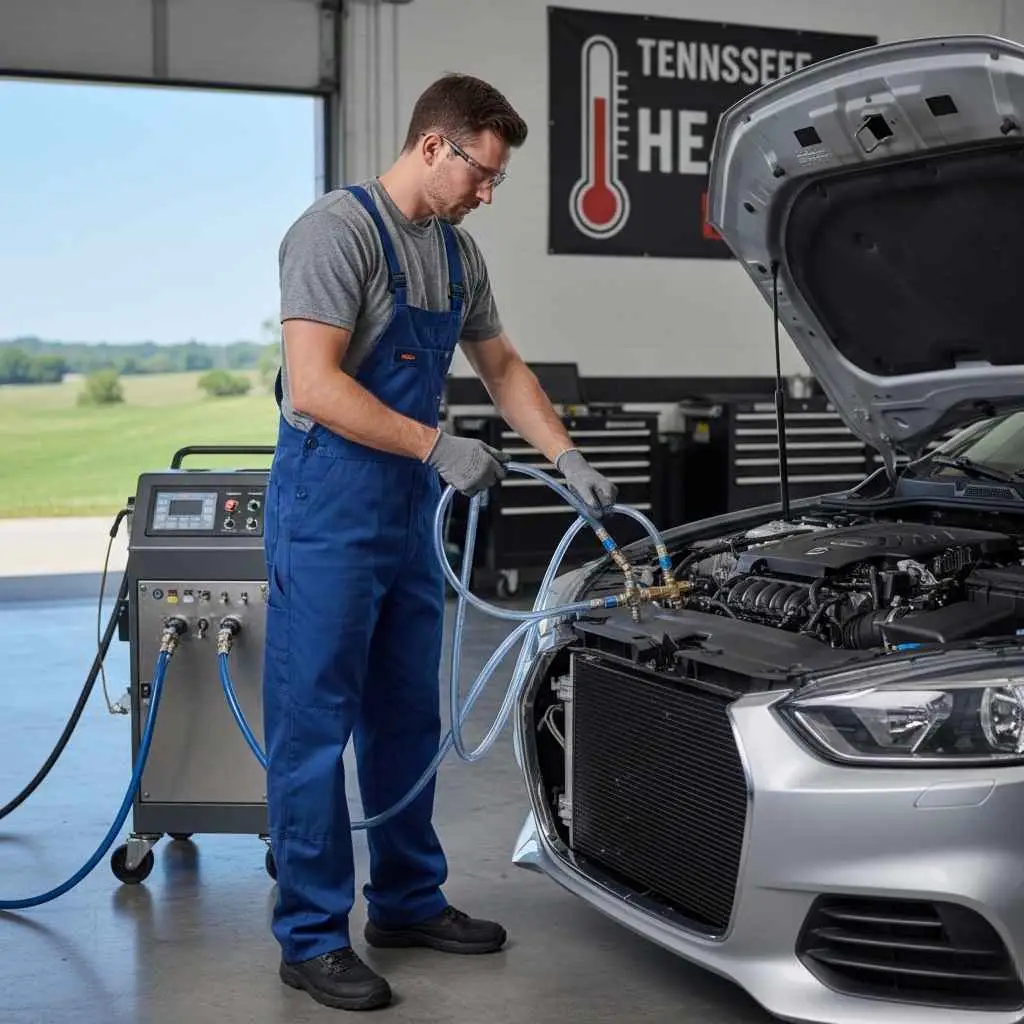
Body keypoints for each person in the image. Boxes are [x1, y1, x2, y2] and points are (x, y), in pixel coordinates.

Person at [261, 72, 618, 1012]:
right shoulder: (334, 234)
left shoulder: (457, 258)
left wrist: (568, 455)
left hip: (408, 518)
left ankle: (408, 901)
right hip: (329, 513)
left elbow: (501, 366)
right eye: (483, 175)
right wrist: (434, 442)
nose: (488, 194)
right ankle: (307, 936)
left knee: (406, 716)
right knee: (312, 732)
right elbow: (313, 385)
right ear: (434, 147)